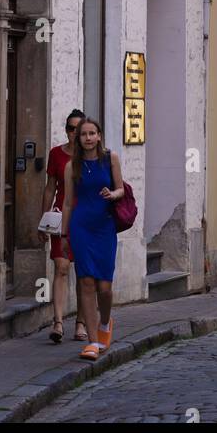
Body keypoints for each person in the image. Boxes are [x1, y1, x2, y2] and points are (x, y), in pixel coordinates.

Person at [59, 117, 124, 361]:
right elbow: (67, 203)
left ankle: (105, 323)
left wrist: (113, 194)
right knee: (86, 282)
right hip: (81, 227)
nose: (87, 138)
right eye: (83, 134)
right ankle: (92, 341)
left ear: (99, 136)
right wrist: (64, 235)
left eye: (92, 133)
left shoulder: (110, 159)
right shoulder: (71, 167)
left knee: (104, 287)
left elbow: (121, 188)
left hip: (104, 227)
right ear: (78, 138)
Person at [39, 109, 87, 343]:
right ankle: (58, 322)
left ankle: (80, 323)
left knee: (83, 274)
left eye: (78, 129)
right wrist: (43, 220)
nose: (73, 133)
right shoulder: (56, 154)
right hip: (61, 218)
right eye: (70, 128)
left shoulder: (93, 156)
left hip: (85, 219)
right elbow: (50, 188)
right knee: (61, 267)